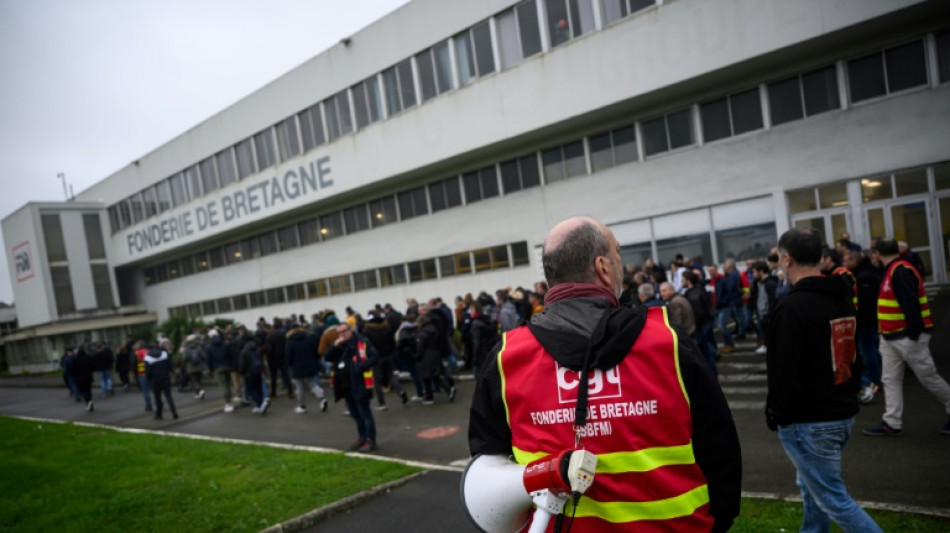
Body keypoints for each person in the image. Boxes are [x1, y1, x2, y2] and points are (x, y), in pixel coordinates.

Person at [468, 216, 741, 532]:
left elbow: (488, 470)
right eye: (617, 253)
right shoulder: (667, 341)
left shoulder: (506, 357)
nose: (620, 263)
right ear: (603, 267)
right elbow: (720, 450)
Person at [765, 228, 881, 533]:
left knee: (834, 500)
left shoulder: (791, 308)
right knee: (811, 487)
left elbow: (783, 373)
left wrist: (779, 416)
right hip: (839, 413)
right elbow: (853, 357)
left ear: (787, 259)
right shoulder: (841, 297)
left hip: (810, 422)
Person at [863, 238, 950, 436]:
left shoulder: (900, 271)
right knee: (890, 379)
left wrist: (913, 334)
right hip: (891, 337)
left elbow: (911, 305)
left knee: (928, 377)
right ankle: (892, 422)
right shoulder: (894, 269)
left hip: (906, 337)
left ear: (877, 254)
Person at [325, 323, 379, 452]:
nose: (342, 334)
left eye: (344, 331)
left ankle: (371, 440)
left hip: (360, 383)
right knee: (355, 414)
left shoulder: (362, 342)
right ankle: (362, 436)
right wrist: (334, 346)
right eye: (339, 333)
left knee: (365, 414)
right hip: (345, 385)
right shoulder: (339, 345)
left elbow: (374, 356)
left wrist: (361, 367)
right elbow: (327, 357)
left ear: (350, 330)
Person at [844, 250, 883, 404]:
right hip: (870, 321)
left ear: (854, 261)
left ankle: (873, 381)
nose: (845, 263)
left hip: (866, 321)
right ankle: (878, 377)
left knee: (868, 350)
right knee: (872, 349)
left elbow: (866, 303)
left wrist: (858, 319)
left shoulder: (863, 277)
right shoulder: (864, 273)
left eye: (847, 260)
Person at [286, 323, 328, 414]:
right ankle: (322, 399)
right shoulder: (308, 338)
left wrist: (289, 365)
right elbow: (315, 351)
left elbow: (288, 356)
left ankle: (302, 406)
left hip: (297, 366)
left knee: (300, 387)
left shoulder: (290, 341)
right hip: (310, 364)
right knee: (313, 384)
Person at [144, 339, 178, 420]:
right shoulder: (164, 354)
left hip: (155, 380)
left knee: (157, 398)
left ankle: (159, 414)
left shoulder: (147, 357)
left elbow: (148, 371)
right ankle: (174, 412)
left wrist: (148, 380)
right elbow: (170, 365)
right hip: (165, 378)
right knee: (168, 396)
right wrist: (172, 373)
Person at [752, 261, 778, 355]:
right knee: (764, 333)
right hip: (762, 314)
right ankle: (766, 345)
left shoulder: (770, 284)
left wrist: (769, 315)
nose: (753, 274)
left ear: (761, 271)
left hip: (767, 315)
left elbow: (772, 301)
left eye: (754, 272)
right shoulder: (759, 283)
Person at [205, 329, 235, 413]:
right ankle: (230, 401)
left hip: (217, 368)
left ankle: (227, 403)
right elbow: (231, 354)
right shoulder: (225, 344)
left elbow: (208, 360)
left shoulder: (209, 347)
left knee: (223, 386)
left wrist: (211, 370)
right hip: (227, 366)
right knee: (228, 384)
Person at [238, 340, 268, 415]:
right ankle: (259, 406)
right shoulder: (257, 350)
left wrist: (241, 372)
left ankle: (260, 403)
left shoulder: (243, 352)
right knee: (258, 389)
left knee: (250, 390)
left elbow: (242, 364)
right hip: (257, 372)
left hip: (248, 374)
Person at [180, 334, 207, 400]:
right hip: (199, 366)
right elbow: (204, 356)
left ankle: (200, 391)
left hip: (190, 367)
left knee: (194, 381)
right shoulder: (198, 347)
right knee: (199, 380)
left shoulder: (186, 348)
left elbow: (184, 359)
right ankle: (199, 394)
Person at [71, 346, 95, 412]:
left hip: (79, 378)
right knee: (89, 390)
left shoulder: (75, 359)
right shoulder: (88, 357)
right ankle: (90, 401)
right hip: (88, 377)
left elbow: (72, 369)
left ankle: (88, 401)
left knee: (82, 391)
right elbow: (92, 366)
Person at [133, 340, 153, 412]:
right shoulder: (148, 351)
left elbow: (134, 364)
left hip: (141, 373)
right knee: (153, 389)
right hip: (150, 372)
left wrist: (134, 373)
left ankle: (148, 404)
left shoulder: (137, 353)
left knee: (145, 390)